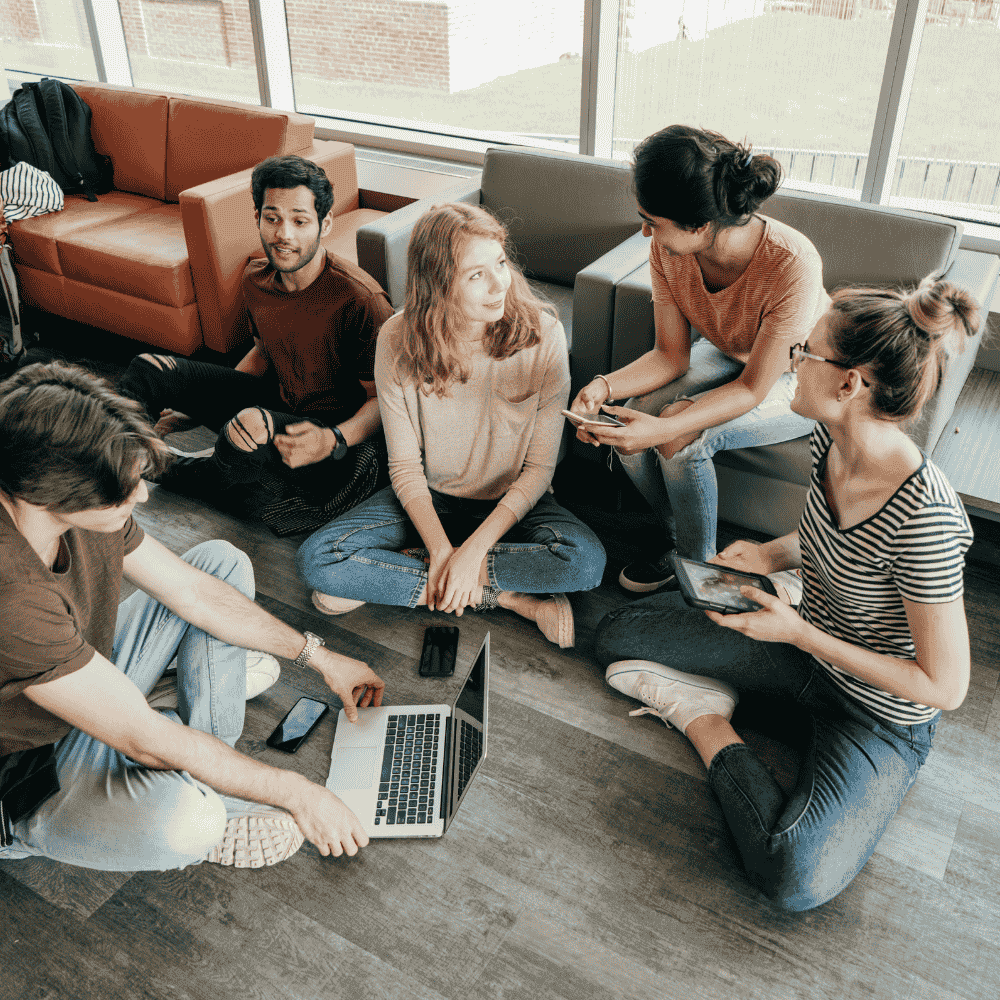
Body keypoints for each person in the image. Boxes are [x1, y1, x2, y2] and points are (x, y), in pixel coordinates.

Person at [592, 277, 978, 910]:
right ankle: (745, 693)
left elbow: (944, 688)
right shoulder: (831, 438)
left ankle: (703, 717)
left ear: (850, 384)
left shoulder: (925, 522)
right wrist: (769, 554)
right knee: (616, 635)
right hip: (803, 648)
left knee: (793, 876)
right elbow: (828, 535)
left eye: (807, 352)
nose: (791, 363)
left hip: (876, 713)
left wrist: (797, 631)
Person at [0, 362, 386, 871]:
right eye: (123, 490)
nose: (140, 496)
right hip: (31, 768)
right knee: (190, 824)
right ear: (46, 494)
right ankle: (36, 829)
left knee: (221, 563)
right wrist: (296, 790)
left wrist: (321, 657)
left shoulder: (75, 501)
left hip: (80, 675)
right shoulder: (11, 592)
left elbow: (194, 593)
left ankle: (197, 755)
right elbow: (144, 738)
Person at [295, 203, 607, 647]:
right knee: (318, 560)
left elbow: (539, 471)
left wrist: (474, 550)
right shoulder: (397, 339)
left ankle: (406, 573)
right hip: (430, 498)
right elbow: (403, 467)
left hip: (511, 502)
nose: (500, 283)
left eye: (499, 263)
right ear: (438, 284)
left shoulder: (544, 334)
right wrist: (444, 552)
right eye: (476, 274)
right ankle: (505, 598)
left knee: (584, 564)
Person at [569, 125, 826, 592]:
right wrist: (603, 387)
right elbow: (670, 356)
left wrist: (666, 428)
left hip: (799, 375)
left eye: (653, 220)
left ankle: (701, 569)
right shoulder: (667, 250)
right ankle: (680, 542)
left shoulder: (791, 264)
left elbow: (753, 387)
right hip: (730, 353)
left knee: (678, 435)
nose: (645, 230)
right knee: (631, 423)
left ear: (700, 224)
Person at [119, 154, 394, 536]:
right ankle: (112, 471)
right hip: (277, 403)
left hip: (325, 436)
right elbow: (265, 353)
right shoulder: (256, 277)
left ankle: (167, 467)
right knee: (147, 369)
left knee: (244, 434)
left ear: (324, 224)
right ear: (258, 219)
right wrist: (196, 410)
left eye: (300, 221)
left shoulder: (361, 300)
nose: (284, 234)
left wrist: (332, 440)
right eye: (272, 218)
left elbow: (384, 401)